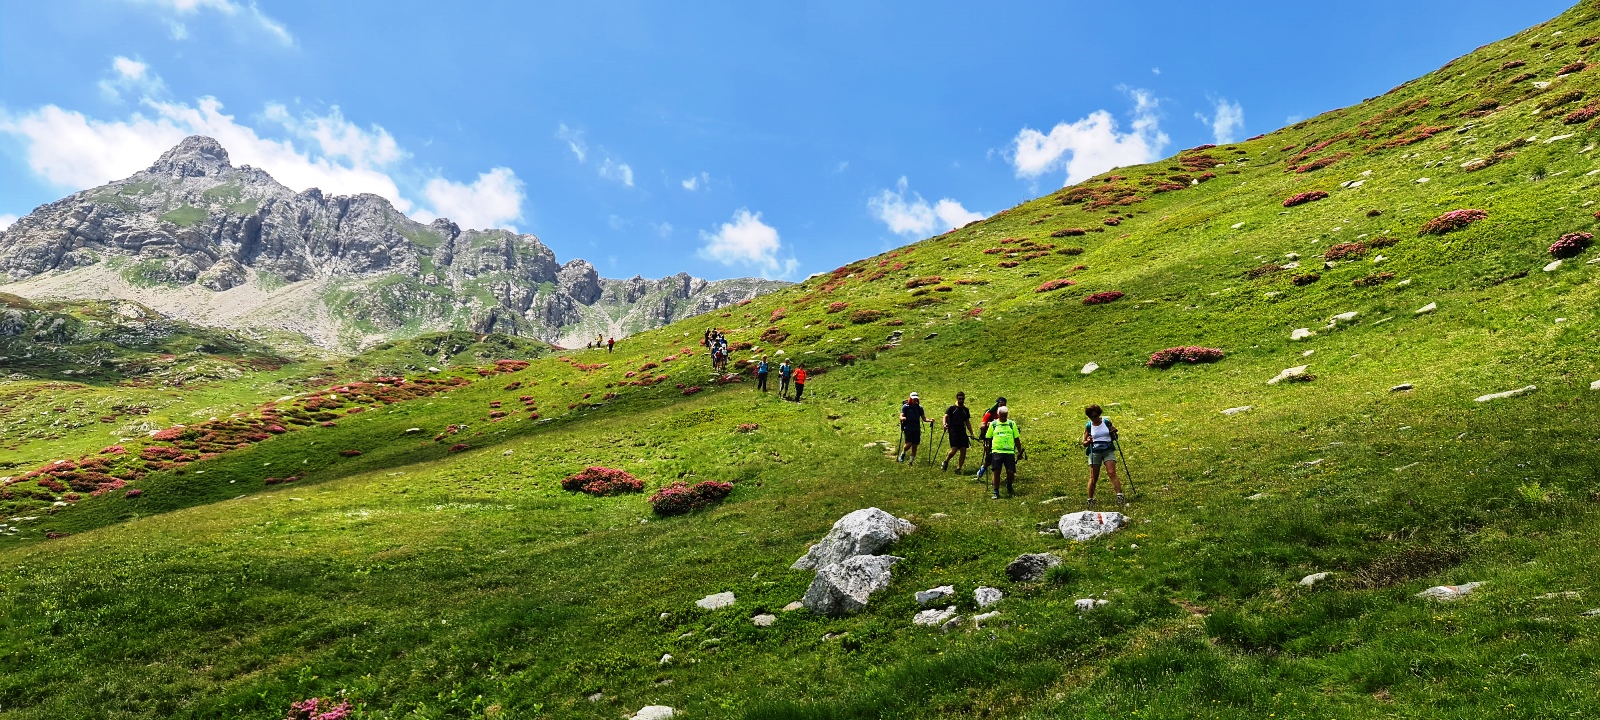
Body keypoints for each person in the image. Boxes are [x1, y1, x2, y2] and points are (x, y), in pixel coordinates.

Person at [1081, 404, 1124, 507]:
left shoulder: (1106, 423)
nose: (1094, 418)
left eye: (1095, 416)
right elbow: (1084, 443)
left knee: (1111, 472)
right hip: (1094, 451)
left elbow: (1115, 438)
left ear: (1099, 414)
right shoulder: (1088, 426)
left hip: (1108, 450)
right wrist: (1088, 441)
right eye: (1091, 417)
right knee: (1093, 477)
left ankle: (1119, 496)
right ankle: (1090, 499)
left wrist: (1114, 433)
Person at [987, 405, 1023, 499]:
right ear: (998, 415)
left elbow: (1016, 438)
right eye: (1002, 415)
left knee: (1010, 472)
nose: (1003, 417)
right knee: (996, 471)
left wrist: (1019, 451)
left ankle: (1009, 484)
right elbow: (988, 437)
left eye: (1005, 416)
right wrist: (987, 446)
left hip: (1009, 452)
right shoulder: (993, 424)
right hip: (997, 451)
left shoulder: (1011, 424)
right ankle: (996, 491)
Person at [974, 396, 1006, 481]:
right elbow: (982, 425)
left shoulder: (1004, 414)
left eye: (1004, 405)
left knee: (998, 459)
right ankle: (983, 469)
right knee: (990, 458)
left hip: (1001, 438)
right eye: (1000, 405)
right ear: (997, 405)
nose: (1002, 407)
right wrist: (989, 424)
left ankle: (994, 479)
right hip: (989, 438)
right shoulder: (989, 413)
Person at [941, 391, 974, 473]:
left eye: (963, 399)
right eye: (960, 399)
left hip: (962, 431)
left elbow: (967, 422)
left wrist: (971, 433)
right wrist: (944, 424)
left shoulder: (965, 410)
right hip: (953, 430)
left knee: (963, 450)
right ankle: (946, 461)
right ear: (957, 399)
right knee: (954, 449)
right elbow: (945, 416)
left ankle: (958, 468)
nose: (961, 400)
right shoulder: (952, 408)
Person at [897, 392, 931, 463]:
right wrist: (902, 418)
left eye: (916, 399)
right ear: (910, 398)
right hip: (908, 427)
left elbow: (924, 418)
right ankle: (903, 453)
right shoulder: (905, 407)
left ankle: (910, 462)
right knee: (909, 444)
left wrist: (930, 420)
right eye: (913, 399)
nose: (915, 400)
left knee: (915, 445)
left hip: (916, 428)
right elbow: (901, 416)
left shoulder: (919, 408)